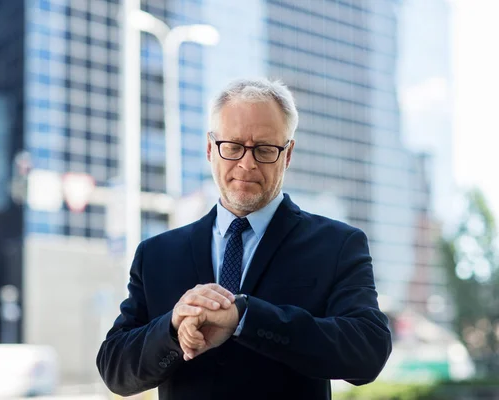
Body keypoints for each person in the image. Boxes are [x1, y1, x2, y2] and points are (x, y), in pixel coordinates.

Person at [97, 78, 392, 399]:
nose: (247, 163)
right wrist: (170, 329)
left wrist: (246, 318)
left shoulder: (337, 245)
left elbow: (367, 352)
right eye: (233, 146)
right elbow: (115, 368)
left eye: (264, 149)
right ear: (211, 149)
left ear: (288, 154)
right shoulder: (157, 254)